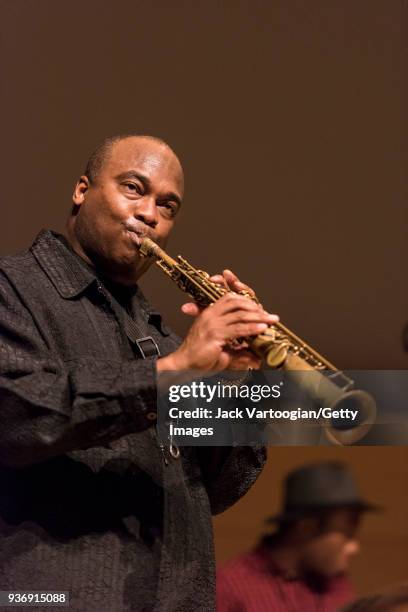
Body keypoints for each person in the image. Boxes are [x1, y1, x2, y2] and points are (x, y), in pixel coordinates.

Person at [0, 134, 279, 611]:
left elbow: (219, 490)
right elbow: (16, 416)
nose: (151, 214)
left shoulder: (167, 340)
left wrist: (235, 384)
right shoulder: (14, 288)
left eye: (167, 206)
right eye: (134, 188)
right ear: (82, 190)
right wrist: (170, 373)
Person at [217, 461, 378, 612]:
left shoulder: (335, 582)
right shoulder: (230, 588)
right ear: (306, 527)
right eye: (346, 535)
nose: (354, 548)